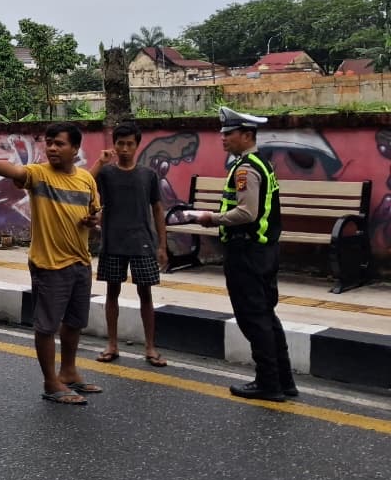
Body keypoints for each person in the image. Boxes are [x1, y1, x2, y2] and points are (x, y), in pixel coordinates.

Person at [0, 122, 103, 406]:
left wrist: (94, 221)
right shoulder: (39, 175)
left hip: (80, 261)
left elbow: (94, 213)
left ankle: (68, 371)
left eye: (59, 143)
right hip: (50, 264)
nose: (52, 148)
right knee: (46, 326)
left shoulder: (86, 180)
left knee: (75, 322)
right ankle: (51, 382)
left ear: (75, 149)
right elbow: (16, 171)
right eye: (49, 142)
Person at [192, 107, 296, 402]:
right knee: (266, 315)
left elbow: (247, 213)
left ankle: (268, 383)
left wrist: (210, 218)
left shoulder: (245, 169)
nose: (223, 138)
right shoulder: (261, 163)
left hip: (248, 251)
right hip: (264, 250)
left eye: (229, 133)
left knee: (253, 318)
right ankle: (284, 380)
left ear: (246, 135)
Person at [89, 121, 169, 367]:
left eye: (129, 144)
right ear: (114, 145)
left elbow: (157, 209)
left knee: (146, 293)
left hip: (142, 242)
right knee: (112, 292)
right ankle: (112, 344)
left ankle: (150, 347)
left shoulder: (148, 175)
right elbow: (83, 184)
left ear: (137, 145)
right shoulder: (105, 173)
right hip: (113, 242)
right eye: (120, 144)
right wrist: (100, 162)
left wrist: (162, 246)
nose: (124, 149)